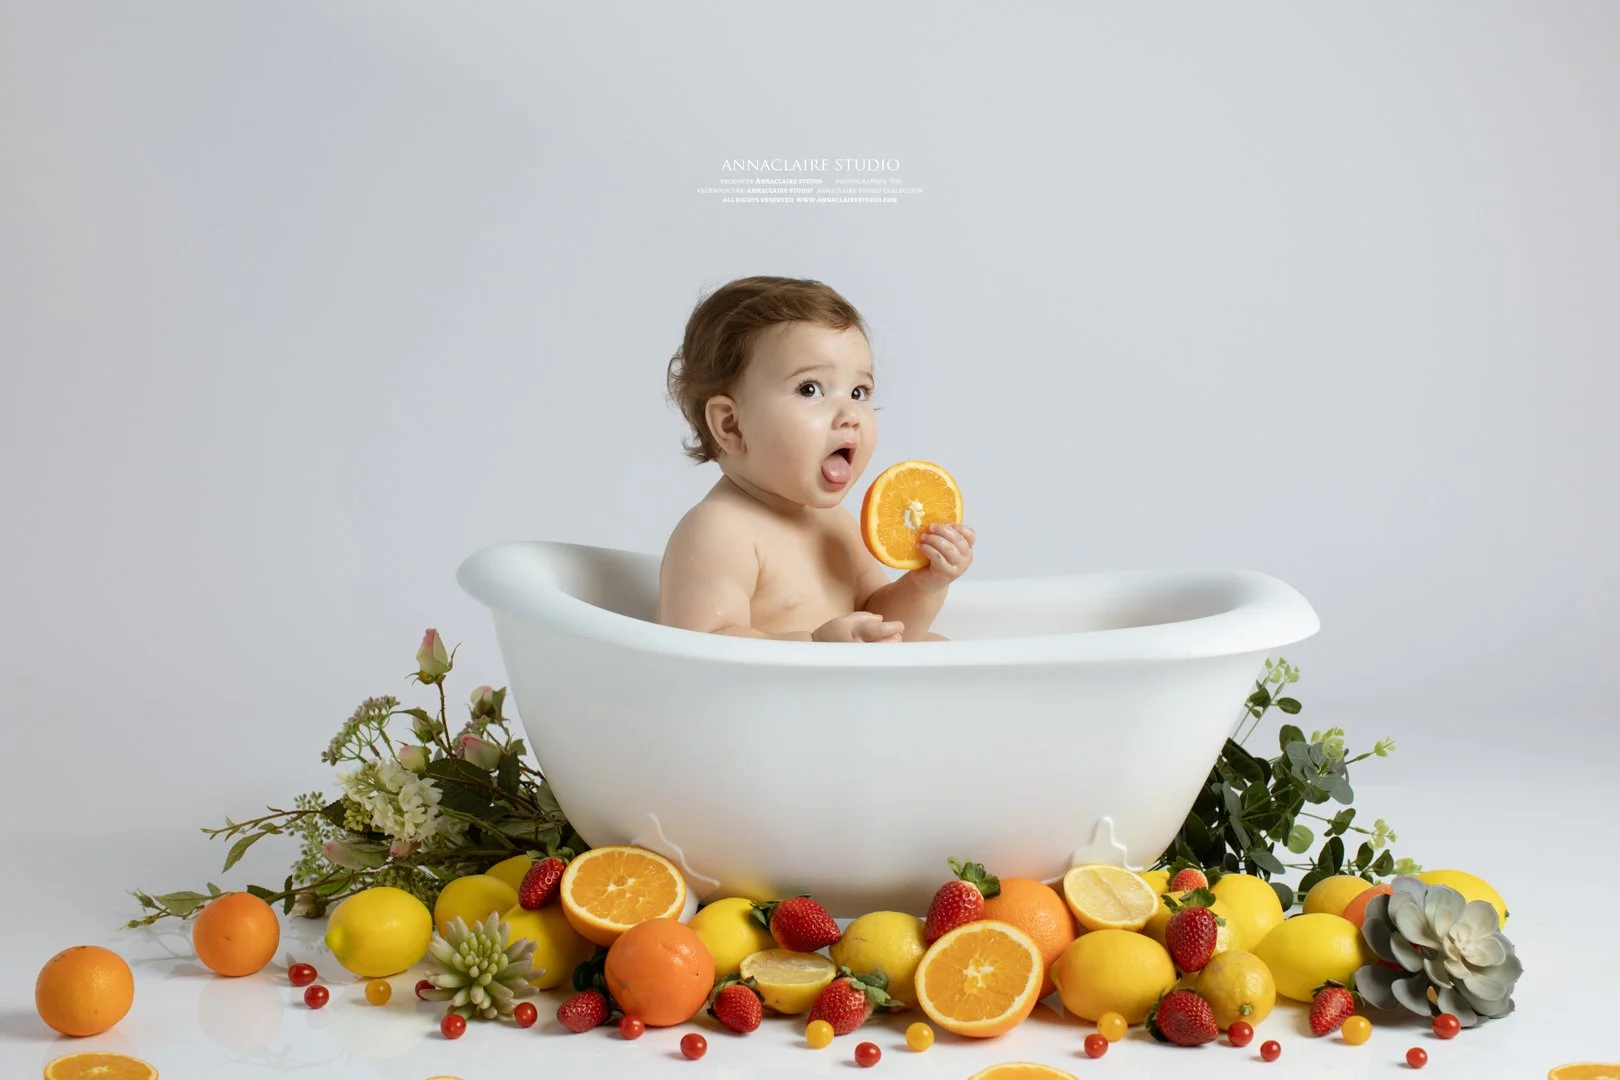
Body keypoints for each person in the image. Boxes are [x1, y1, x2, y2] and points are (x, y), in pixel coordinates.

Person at [656, 275, 976, 642]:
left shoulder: (835, 525)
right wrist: (815, 646)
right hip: (766, 698)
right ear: (732, 426)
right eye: (810, 389)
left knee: (935, 646)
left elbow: (885, 625)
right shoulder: (719, 531)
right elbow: (701, 648)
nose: (850, 414)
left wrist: (925, 585)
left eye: (859, 391)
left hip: (833, 695)